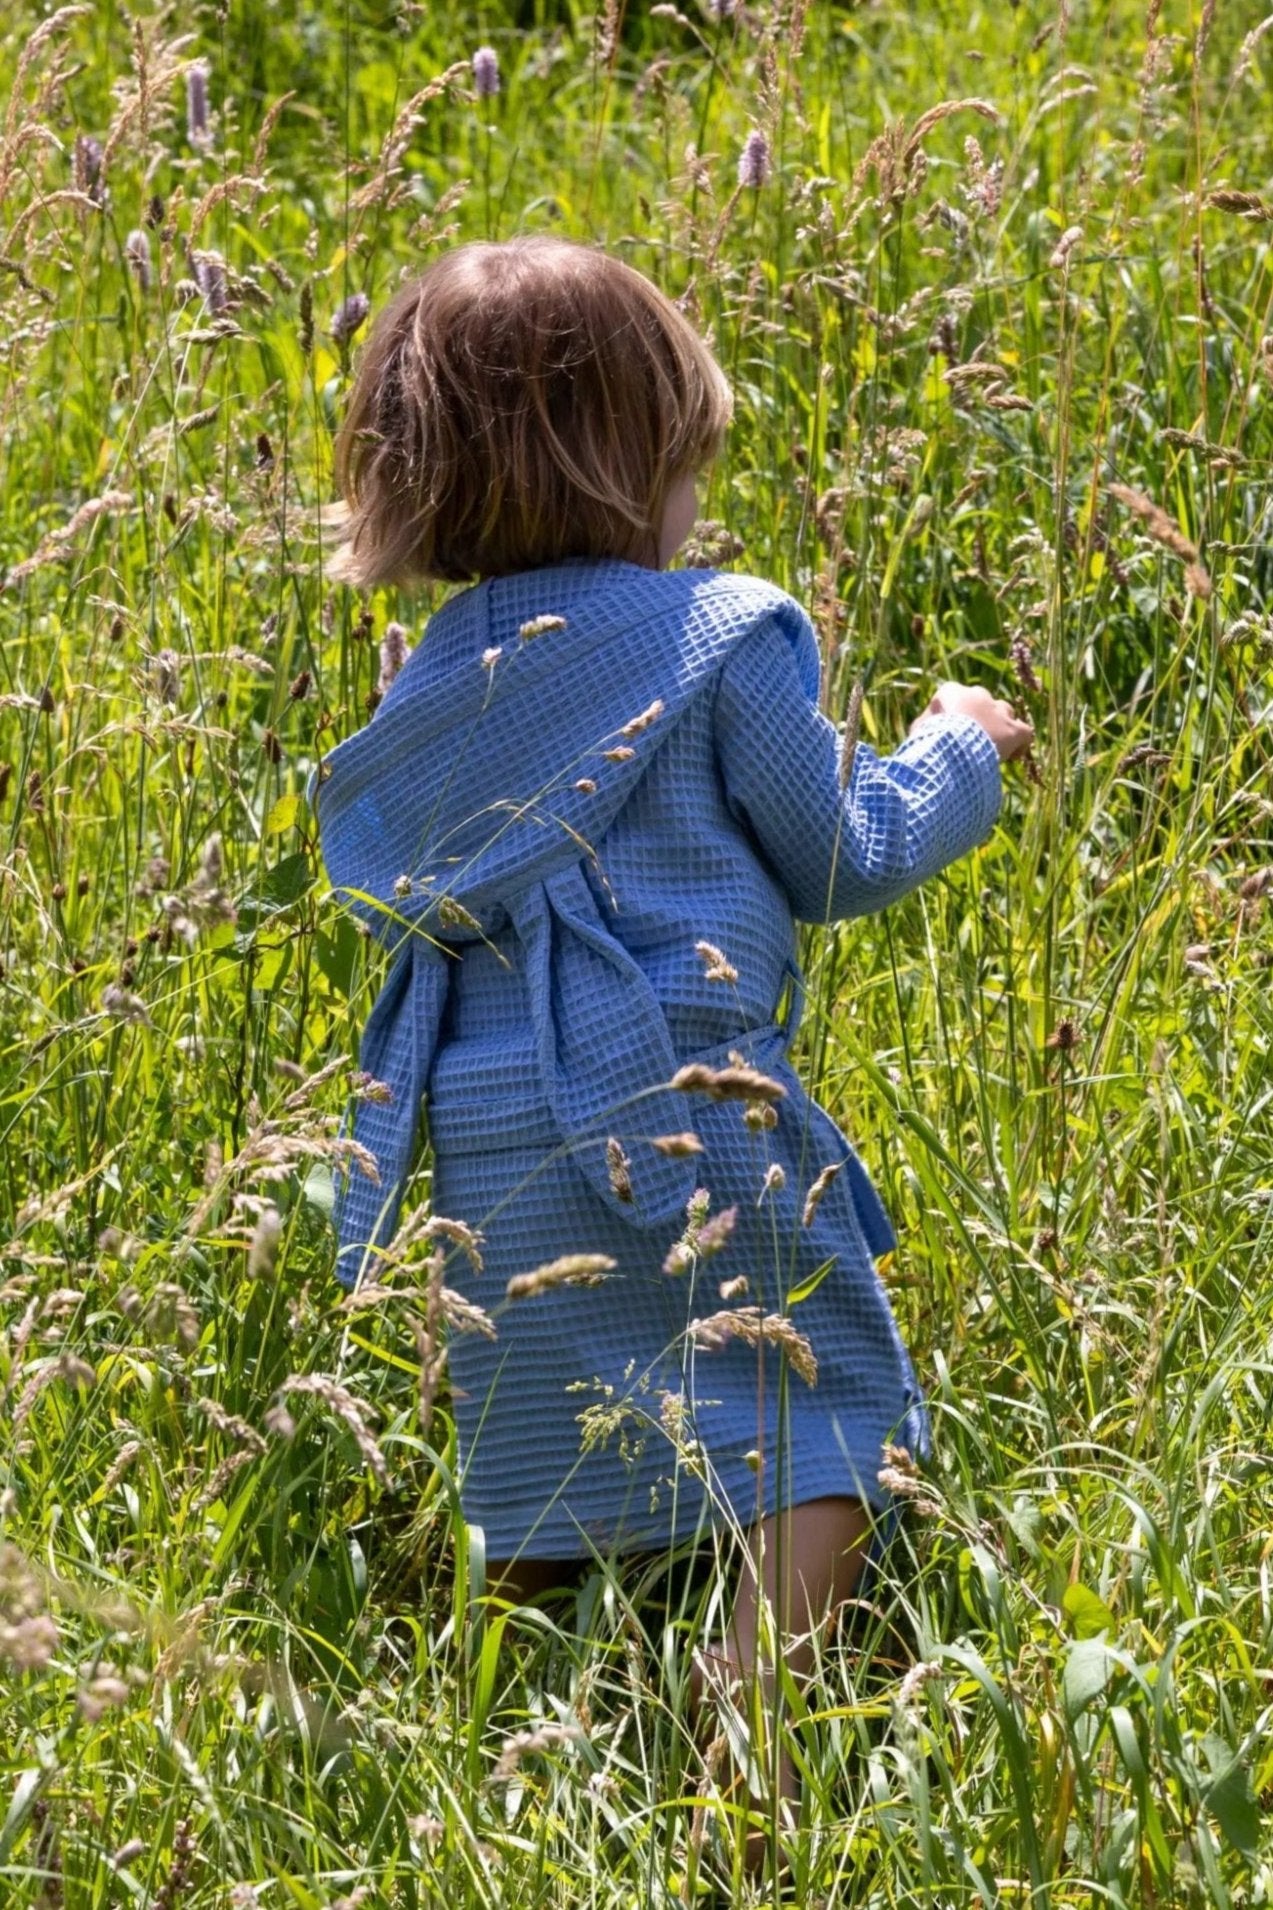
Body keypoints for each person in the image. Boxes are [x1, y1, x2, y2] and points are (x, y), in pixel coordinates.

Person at [309, 234, 1034, 1862]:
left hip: (481, 1144)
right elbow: (841, 849)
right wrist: (956, 752)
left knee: (537, 1444)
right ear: (640, 457)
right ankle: (737, 1774)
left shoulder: (432, 688)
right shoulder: (721, 633)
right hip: (678, 1100)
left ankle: (522, 1784)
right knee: (823, 1419)